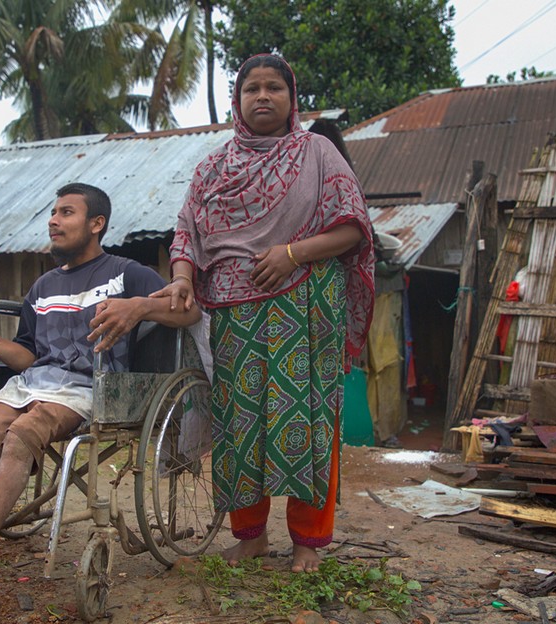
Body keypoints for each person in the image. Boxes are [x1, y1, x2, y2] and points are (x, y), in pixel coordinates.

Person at [0, 182, 201, 612]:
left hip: (88, 386)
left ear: (97, 224)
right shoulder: (42, 287)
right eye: (53, 213)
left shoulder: (126, 273)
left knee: (23, 433)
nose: (53, 221)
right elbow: (28, 357)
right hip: (33, 382)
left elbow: (189, 311)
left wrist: (138, 307)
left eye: (66, 213)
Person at [153, 54, 376, 573]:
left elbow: (353, 230)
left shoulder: (318, 152)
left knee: (309, 418)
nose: (262, 97)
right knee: (239, 424)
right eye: (251, 88)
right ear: (237, 101)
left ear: (291, 99)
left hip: (305, 304)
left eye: (274, 87)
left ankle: (307, 543)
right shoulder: (213, 167)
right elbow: (186, 232)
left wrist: (291, 253)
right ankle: (250, 536)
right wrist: (183, 278)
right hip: (233, 312)